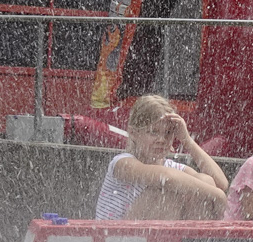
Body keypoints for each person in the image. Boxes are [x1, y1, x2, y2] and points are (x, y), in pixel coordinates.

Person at [94, 94, 229, 220]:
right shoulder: (122, 163)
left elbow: (220, 183)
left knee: (204, 180)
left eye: (168, 133)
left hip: (158, 236)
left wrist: (187, 140)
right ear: (133, 133)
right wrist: (217, 195)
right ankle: (182, 241)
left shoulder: (171, 167)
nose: (161, 140)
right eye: (153, 132)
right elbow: (166, 178)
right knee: (165, 189)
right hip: (117, 240)